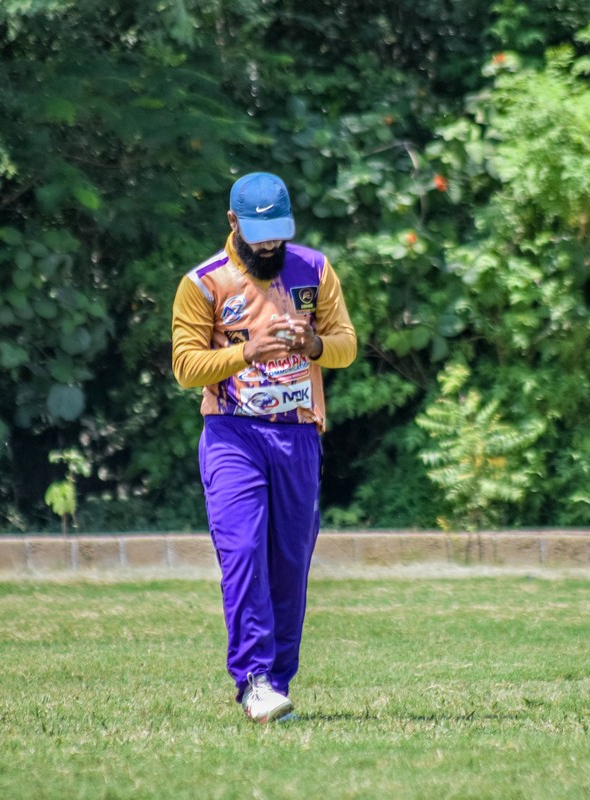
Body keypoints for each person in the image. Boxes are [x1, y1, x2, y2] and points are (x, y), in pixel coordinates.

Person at [170, 171, 358, 723]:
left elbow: (346, 345)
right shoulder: (203, 284)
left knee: (289, 564)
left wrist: (315, 344)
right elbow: (185, 366)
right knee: (244, 553)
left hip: (298, 435)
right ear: (232, 222)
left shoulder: (315, 269)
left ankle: (277, 684)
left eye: (279, 232)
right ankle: (252, 679)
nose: (271, 244)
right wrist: (245, 352)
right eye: (259, 234)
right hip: (232, 435)